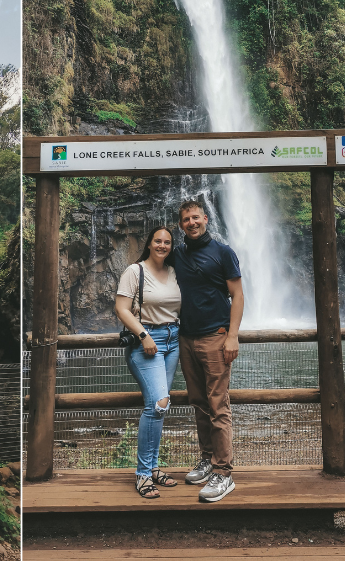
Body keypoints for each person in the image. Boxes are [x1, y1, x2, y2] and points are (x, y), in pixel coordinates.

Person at [173, 200, 244, 503]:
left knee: (218, 405)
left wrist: (232, 336)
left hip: (216, 337)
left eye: (195, 217)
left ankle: (224, 473)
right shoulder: (176, 254)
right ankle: (206, 459)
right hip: (186, 338)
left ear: (206, 219)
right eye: (186, 219)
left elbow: (238, 294)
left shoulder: (223, 252)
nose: (191, 223)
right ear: (181, 225)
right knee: (199, 404)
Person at [114, 226, 182, 499]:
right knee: (158, 403)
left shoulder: (176, 271)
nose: (162, 245)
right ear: (150, 243)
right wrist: (142, 335)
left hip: (173, 339)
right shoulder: (135, 271)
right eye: (158, 241)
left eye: (167, 242)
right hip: (147, 342)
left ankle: (153, 467)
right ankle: (143, 474)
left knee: (159, 406)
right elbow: (121, 308)